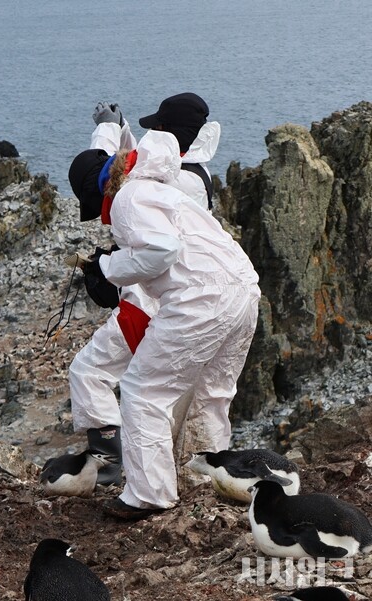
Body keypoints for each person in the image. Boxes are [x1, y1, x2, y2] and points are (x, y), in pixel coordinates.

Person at [85, 129, 259, 519]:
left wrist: (107, 267)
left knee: (144, 390)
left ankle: (149, 495)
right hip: (244, 289)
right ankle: (208, 477)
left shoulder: (128, 197)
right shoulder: (163, 189)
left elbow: (161, 250)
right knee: (213, 391)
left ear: (99, 192)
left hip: (201, 298)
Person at [64, 94, 221, 486]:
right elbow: (135, 163)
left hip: (156, 306)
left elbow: (104, 177)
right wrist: (121, 131)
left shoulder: (172, 182)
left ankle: (111, 464)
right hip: (201, 303)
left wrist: (108, 268)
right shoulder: (195, 175)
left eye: (157, 127)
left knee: (93, 373)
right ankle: (202, 474)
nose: (152, 133)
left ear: (167, 132)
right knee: (193, 399)